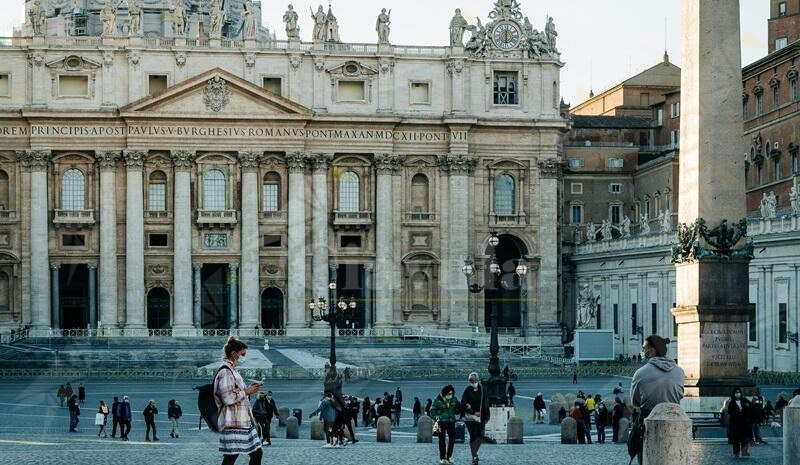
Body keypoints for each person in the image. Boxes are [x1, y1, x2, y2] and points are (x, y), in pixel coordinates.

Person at [629, 335, 685, 464]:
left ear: (652, 350)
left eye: (644, 349)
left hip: (648, 418)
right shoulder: (680, 371)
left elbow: (635, 400)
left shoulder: (640, 373)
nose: (643, 352)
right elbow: (680, 394)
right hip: (675, 417)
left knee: (646, 457)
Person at [214, 336, 263, 465]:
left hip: (242, 419)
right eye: (243, 354)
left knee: (256, 453)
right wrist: (247, 391)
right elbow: (228, 398)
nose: (244, 358)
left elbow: (236, 393)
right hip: (233, 421)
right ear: (234, 354)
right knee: (231, 457)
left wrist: (250, 390)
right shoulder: (225, 371)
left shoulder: (232, 370)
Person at [461, 372, 491, 465]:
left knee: (480, 437)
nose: (473, 382)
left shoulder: (483, 390)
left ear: (478, 380)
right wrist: (472, 411)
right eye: (471, 381)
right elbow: (463, 404)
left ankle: (475, 453)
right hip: (471, 418)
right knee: (473, 436)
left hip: (481, 417)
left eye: (474, 381)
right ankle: (474, 456)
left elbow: (486, 403)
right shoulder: (467, 390)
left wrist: (487, 416)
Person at [430, 384, 460, 465]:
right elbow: (432, 411)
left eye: (451, 393)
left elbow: (458, 408)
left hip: (451, 421)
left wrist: (459, 411)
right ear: (444, 393)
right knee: (442, 440)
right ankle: (442, 458)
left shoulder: (454, 399)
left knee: (452, 438)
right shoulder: (437, 400)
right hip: (441, 422)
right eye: (449, 393)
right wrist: (438, 418)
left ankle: (449, 456)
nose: (450, 395)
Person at [727, 388, 753, 458]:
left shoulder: (744, 400)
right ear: (734, 394)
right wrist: (737, 411)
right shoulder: (731, 403)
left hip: (744, 423)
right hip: (735, 424)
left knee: (745, 439)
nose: (738, 394)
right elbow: (730, 412)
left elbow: (750, 407)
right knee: (736, 440)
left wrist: (746, 407)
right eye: (736, 393)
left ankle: (744, 452)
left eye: (739, 392)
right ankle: (736, 453)